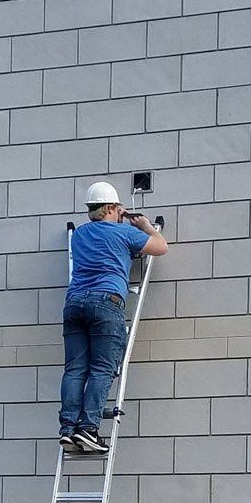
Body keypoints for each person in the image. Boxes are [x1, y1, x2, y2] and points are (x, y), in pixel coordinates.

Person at [60, 182, 168, 454]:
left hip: (74, 304)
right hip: (106, 301)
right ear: (109, 208)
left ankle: (68, 429)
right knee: (102, 368)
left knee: (75, 370)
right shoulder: (123, 233)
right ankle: (88, 429)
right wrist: (144, 225)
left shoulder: (81, 235)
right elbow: (160, 246)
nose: (122, 214)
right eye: (119, 209)